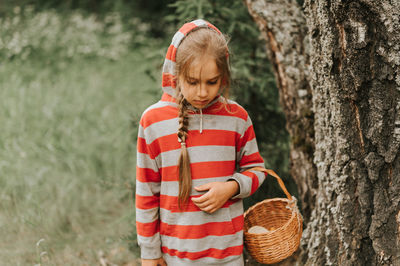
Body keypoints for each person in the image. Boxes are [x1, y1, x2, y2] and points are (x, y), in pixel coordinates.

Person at [135, 19, 267, 266]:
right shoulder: (153, 121)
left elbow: (257, 171)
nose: (202, 93)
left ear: (224, 76)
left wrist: (231, 187)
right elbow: (146, 192)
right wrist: (150, 252)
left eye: (212, 82)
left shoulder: (237, 118)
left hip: (227, 254)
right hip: (175, 255)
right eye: (192, 82)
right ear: (175, 73)